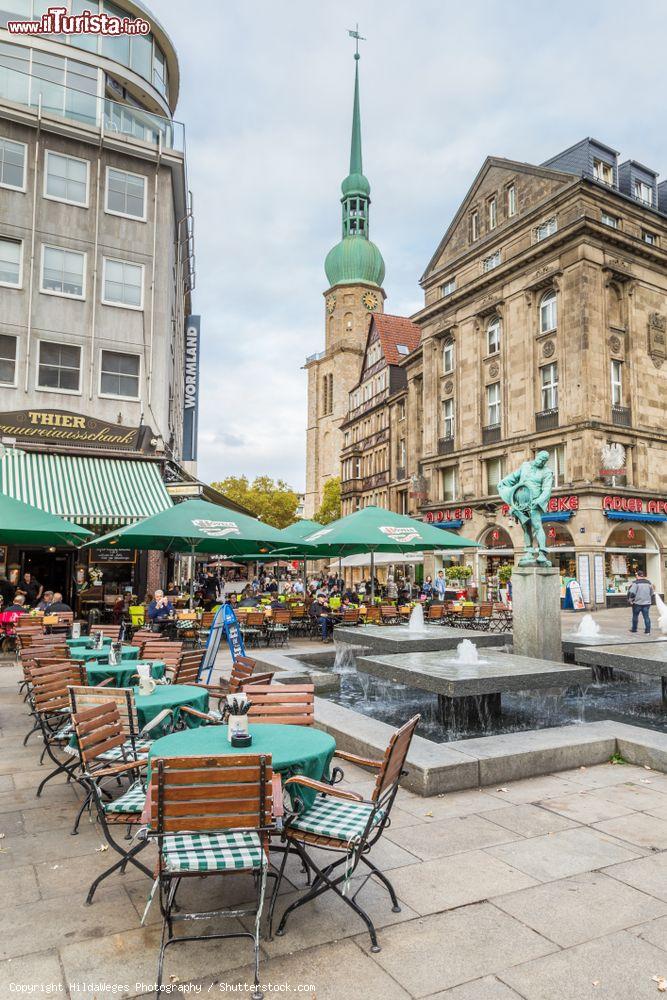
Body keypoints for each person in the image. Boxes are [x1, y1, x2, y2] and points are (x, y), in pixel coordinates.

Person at [628, 570, 655, 635]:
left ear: (637, 575)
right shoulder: (649, 583)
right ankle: (647, 631)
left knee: (635, 616)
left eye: (636, 575)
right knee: (646, 617)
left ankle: (634, 629)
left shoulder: (635, 583)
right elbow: (652, 593)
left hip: (637, 603)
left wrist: (630, 600)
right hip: (647, 603)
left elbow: (632, 593)